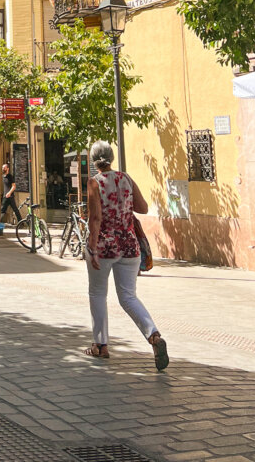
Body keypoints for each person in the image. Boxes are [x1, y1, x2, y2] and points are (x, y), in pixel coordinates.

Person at [85, 140, 169, 370]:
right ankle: (154, 336)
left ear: (94, 160)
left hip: (105, 247)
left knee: (97, 294)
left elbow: (95, 218)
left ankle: (100, 345)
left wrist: (92, 247)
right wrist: (123, 203)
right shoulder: (126, 178)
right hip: (129, 246)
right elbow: (142, 208)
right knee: (128, 296)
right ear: (111, 158)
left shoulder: (95, 182)